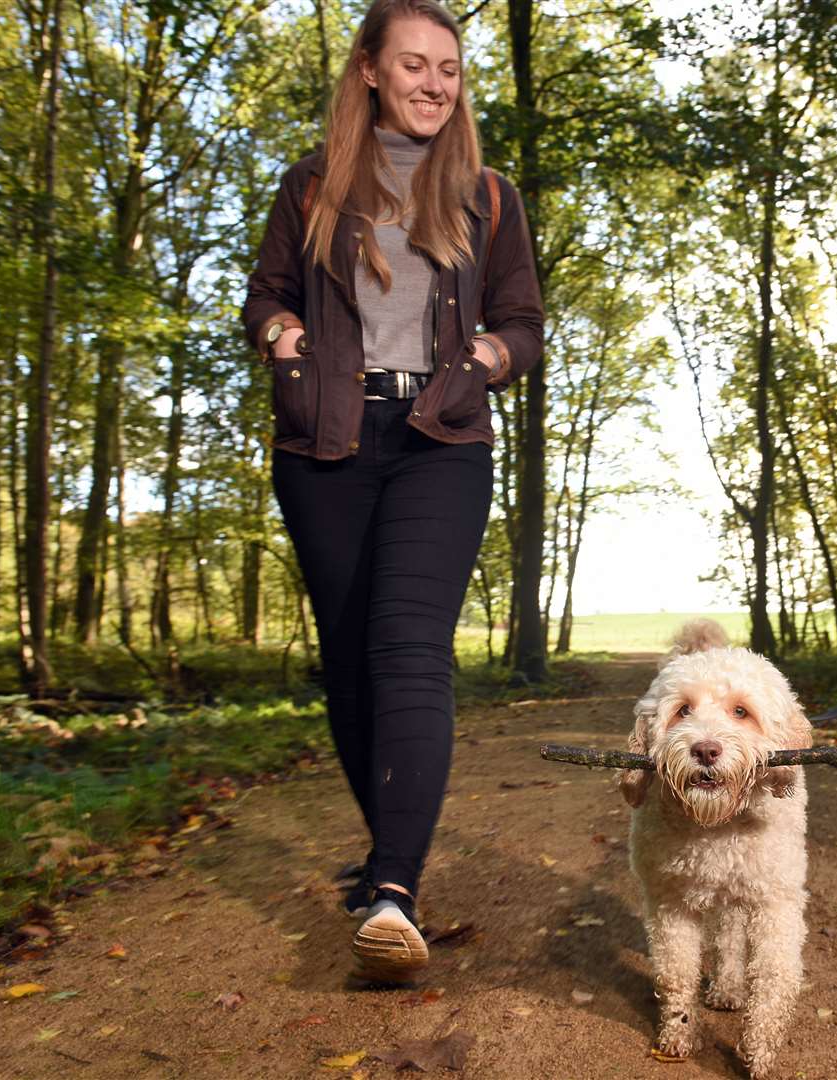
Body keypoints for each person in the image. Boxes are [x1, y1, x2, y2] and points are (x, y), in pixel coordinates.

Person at [242, 0, 543, 982]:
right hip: (323, 441)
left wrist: (494, 353)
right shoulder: (313, 186)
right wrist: (281, 335)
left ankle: (394, 891)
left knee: (407, 644)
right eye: (413, 65)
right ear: (369, 70)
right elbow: (266, 293)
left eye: (448, 69)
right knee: (351, 658)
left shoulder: (488, 196)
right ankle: (388, 850)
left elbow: (525, 321)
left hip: (439, 436)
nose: (432, 83)